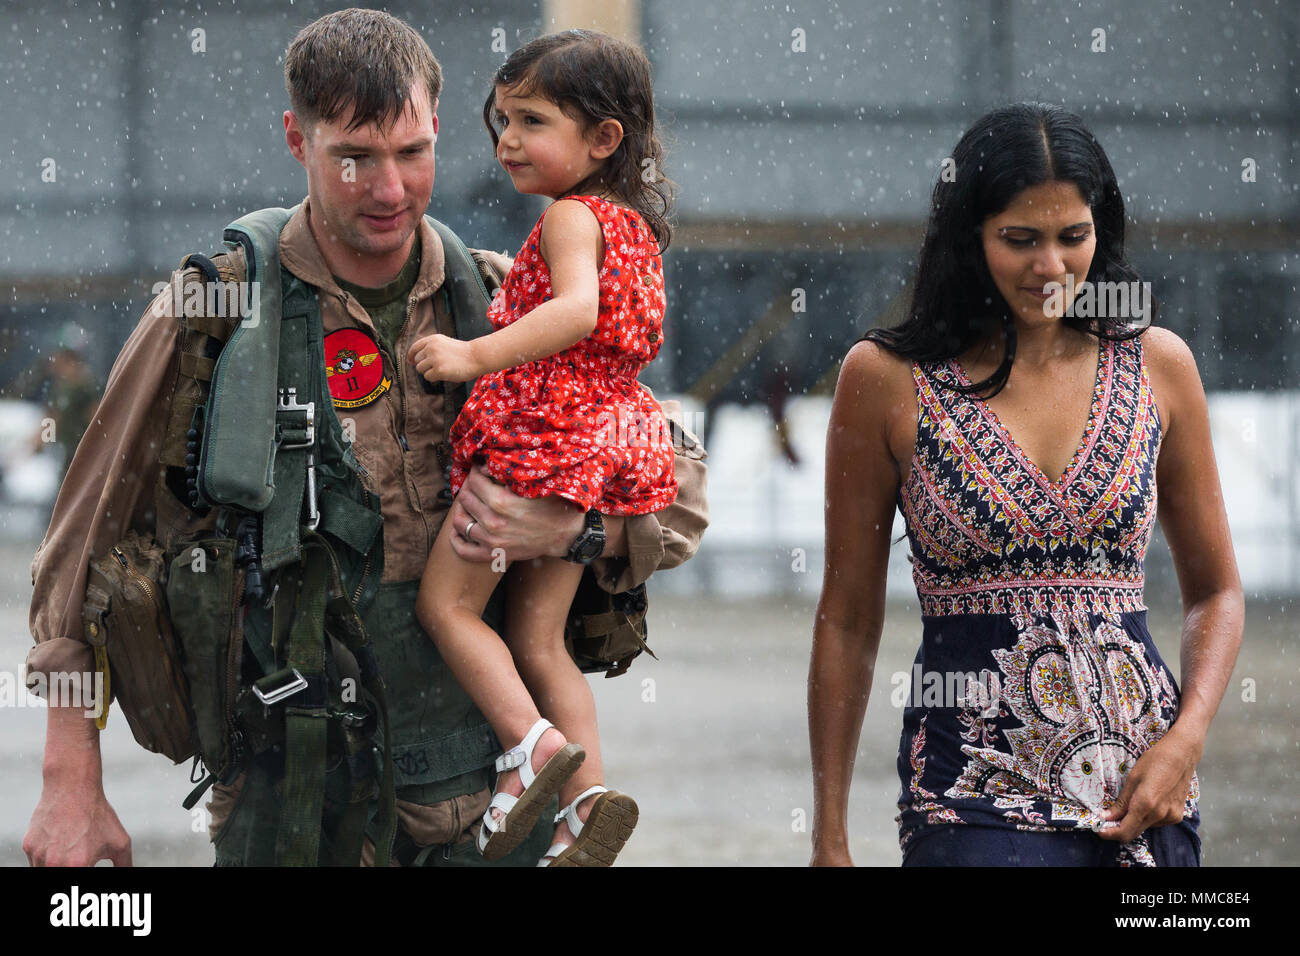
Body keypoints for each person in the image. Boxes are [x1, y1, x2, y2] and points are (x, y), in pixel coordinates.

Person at [22, 8, 708, 868]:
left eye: (413, 153)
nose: (390, 190)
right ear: (295, 139)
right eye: (355, 156)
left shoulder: (501, 305)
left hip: (494, 806)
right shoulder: (214, 313)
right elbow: (79, 552)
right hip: (297, 803)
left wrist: (573, 532)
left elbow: (676, 495)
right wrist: (68, 777)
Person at [808, 103, 1244, 867]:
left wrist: (1188, 738)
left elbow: (1216, 591)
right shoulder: (883, 381)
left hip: (1144, 790)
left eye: (1073, 237)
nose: (1051, 267)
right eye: (1021, 240)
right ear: (968, 238)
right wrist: (830, 836)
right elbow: (847, 619)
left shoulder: (1160, 365)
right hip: (970, 784)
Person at [409, 30, 677, 867]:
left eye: (531, 121)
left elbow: (576, 314)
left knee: (447, 608)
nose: (507, 141)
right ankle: (586, 799)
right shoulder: (631, 225)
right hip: (600, 448)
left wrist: (470, 354)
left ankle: (527, 750)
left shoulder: (568, 215)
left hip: (539, 439)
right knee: (539, 639)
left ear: (603, 140)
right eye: (502, 120)